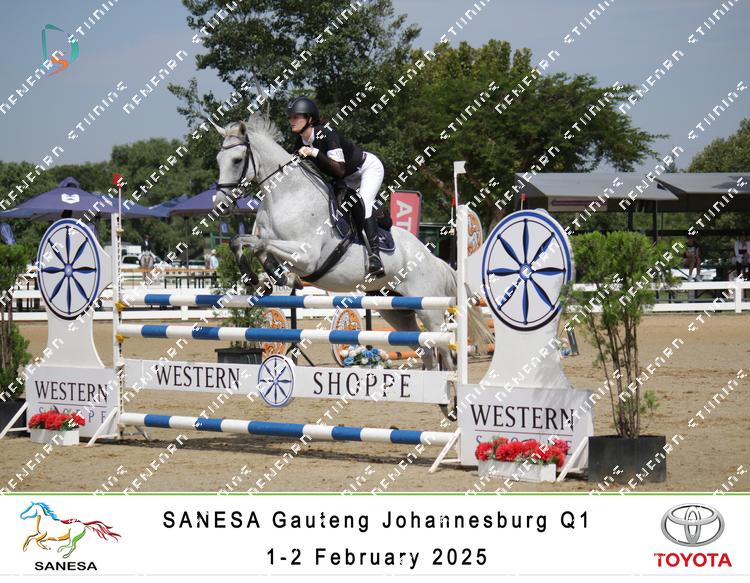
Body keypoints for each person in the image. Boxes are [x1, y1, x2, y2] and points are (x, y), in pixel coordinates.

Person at [287, 96, 386, 278]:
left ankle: (375, 257)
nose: (291, 120)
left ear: (309, 118)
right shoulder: (300, 142)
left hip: (367, 168)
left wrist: (314, 152)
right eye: (290, 117)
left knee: (364, 203)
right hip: (346, 177)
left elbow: (339, 170)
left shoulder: (327, 133)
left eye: (296, 116)